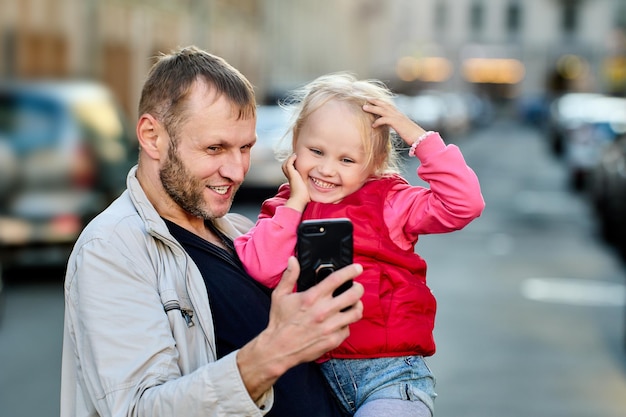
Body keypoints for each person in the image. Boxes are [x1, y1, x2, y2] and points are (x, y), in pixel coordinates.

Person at [60, 46, 365, 417]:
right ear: (152, 136)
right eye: (215, 148)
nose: (237, 171)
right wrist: (268, 355)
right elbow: (138, 409)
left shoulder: (240, 231)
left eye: (245, 148)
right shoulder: (112, 248)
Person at [234, 73, 485, 417]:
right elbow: (262, 267)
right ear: (295, 144)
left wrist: (417, 136)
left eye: (347, 160)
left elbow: (464, 204)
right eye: (316, 151)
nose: (326, 169)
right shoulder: (282, 209)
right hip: (318, 382)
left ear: (375, 163)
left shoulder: (390, 202)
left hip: (391, 380)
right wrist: (294, 204)